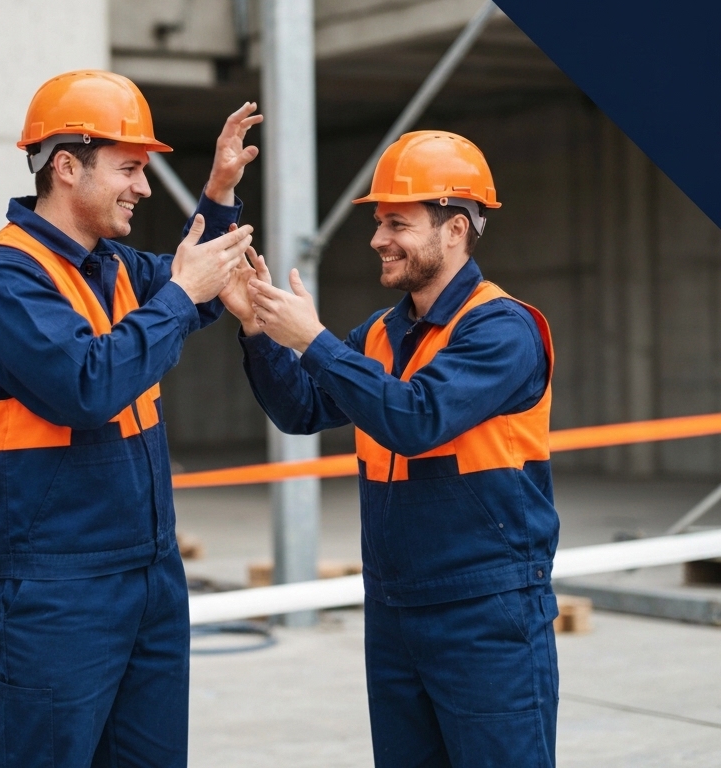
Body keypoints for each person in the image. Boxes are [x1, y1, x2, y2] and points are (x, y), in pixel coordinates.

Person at [0, 69, 260, 768]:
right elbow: (84, 387)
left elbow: (196, 288)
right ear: (65, 167)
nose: (143, 188)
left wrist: (220, 194)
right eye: (129, 169)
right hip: (56, 588)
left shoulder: (111, 265)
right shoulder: (2, 280)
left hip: (148, 574)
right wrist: (180, 292)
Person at [222, 130, 559, 768]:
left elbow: (416, 419)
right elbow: (300, 409)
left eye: (397, 222)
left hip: (485, 610)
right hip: (396, 607)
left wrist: (315, 340)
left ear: (456, 229)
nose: (378, 238)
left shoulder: (503, 329)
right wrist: (257, 328)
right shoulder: (380, 332)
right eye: (379, 223)